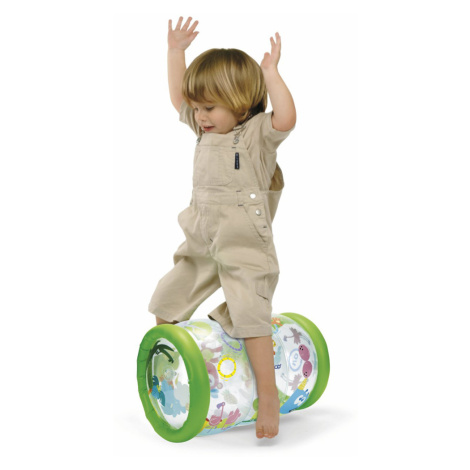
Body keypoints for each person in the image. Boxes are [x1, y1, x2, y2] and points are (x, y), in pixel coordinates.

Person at [148, 16, 296, 439]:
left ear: (241, 103)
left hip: (244, 243)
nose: (200, 116)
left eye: (209, 108)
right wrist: (176, 52)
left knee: (250, 314)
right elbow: (178, 97)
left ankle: (267, 394)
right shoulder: (203, 127)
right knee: (167, 299)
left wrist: (271, 74)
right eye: (197, 108)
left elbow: (286, 119)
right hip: (201, 236)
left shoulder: (254, 135)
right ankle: (170, 370)